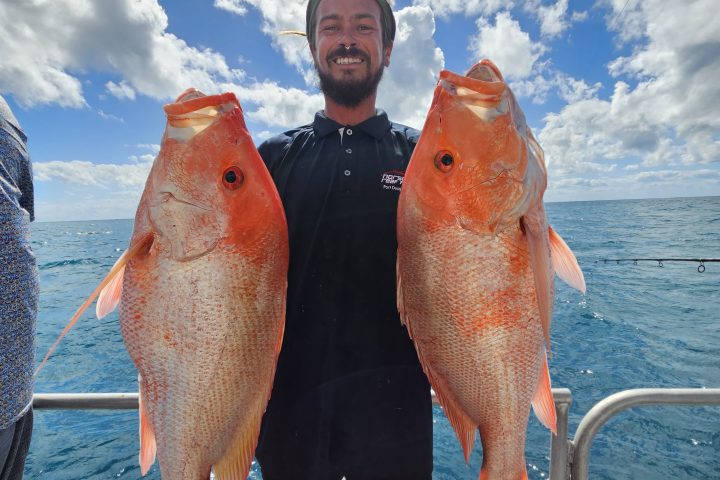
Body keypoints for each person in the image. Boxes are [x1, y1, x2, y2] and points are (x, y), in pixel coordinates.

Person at [254, 0, 433, 478]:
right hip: (289, 420)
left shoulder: (426, 157)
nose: (347, 40)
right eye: (331, 28)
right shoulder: (269, 159)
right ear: (313, 48)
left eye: (363, 27)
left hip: (399, 421)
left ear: (388, 48)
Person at [0, 93, 37, 480]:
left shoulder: (7, 116)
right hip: (14, 378)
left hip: (14, 384)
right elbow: (26, 209)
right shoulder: (7, 116)